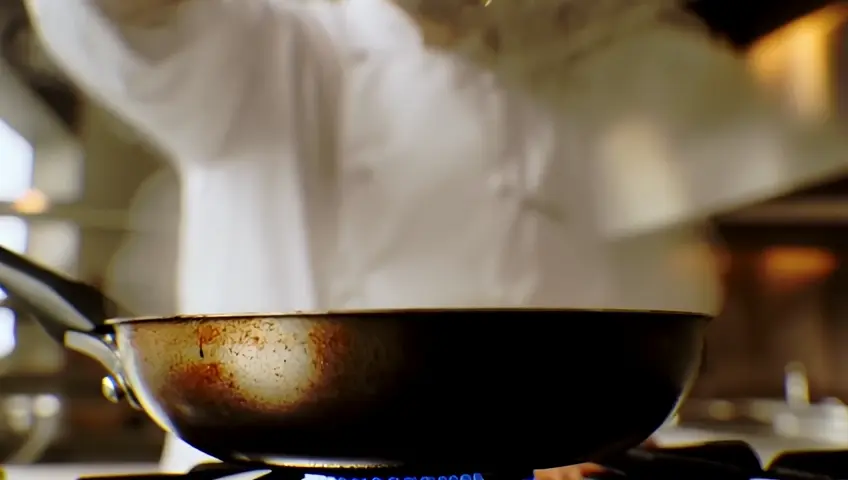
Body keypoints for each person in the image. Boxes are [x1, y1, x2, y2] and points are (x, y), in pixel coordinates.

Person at [23, 0, 848, 476]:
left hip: (566, 462)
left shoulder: (573, 45)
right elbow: (110, 19)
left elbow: (774, 110)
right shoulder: (254, 43)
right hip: (281, 461)